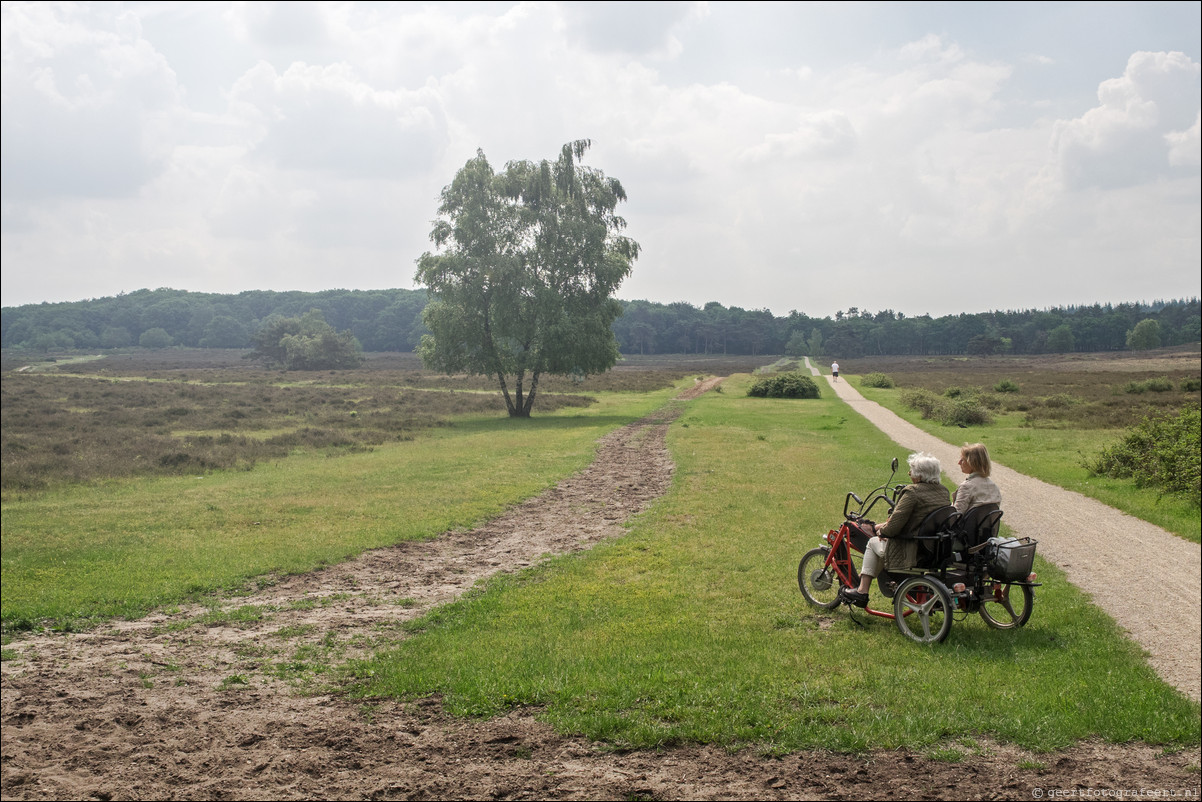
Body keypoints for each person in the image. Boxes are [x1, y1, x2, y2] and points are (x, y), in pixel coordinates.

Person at [839, 452, 951, 607]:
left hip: (911, 550)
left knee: (873, 542)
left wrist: (881, 531)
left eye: (911, 470)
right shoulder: (943, 491)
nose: (909, 473)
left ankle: (862, 591)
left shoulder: (912, 492)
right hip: (932, 549)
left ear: (919, 475)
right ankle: (863, 583)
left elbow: (894, 524)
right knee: (879, 545)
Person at [952, 443, 1001, 513]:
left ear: (972, 463)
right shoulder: (994, 487)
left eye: (962, 460)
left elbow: (955, 517)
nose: (959, 463)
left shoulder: (966, 487)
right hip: (988, 524)